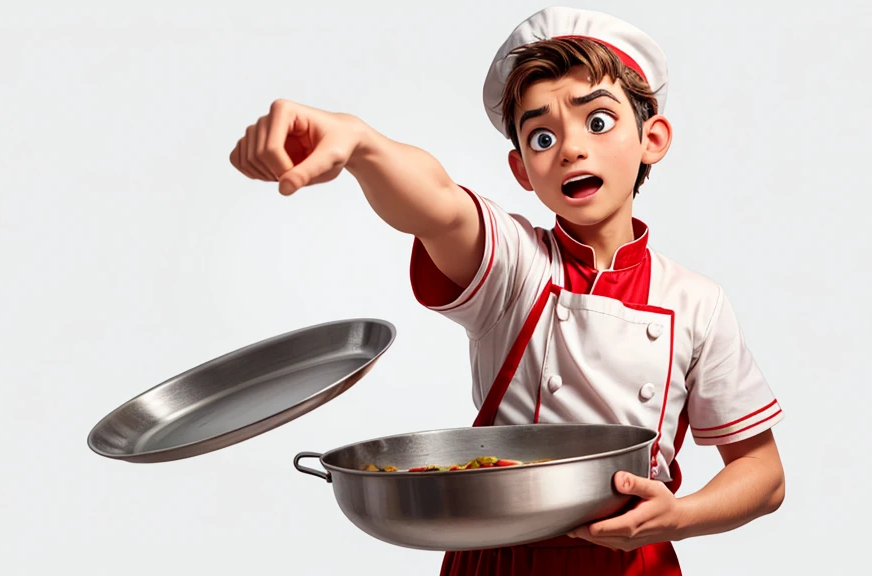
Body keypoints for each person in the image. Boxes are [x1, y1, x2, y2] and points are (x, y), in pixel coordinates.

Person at [229, 6, 785, 574]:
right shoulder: (517, 267)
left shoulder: (696, 302)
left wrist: (677, 517)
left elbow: (762, 475)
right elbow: (440, 206)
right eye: (543, 134)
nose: (570, 148)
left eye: (597, 122)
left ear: (653, 138)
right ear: (522, 170)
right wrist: (363, 146)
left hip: (632, 564)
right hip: (498, 556)